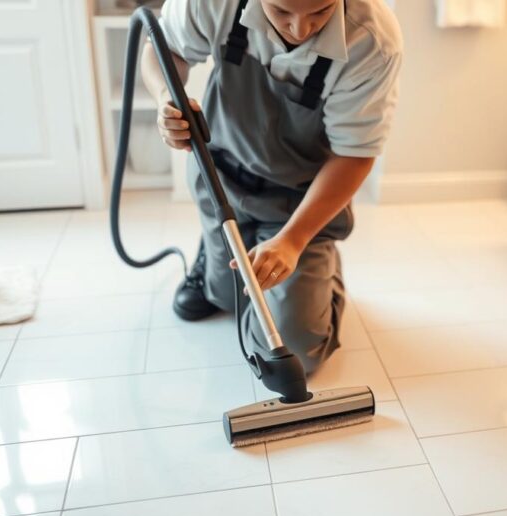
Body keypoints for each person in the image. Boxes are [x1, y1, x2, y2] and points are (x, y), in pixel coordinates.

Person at [143, 0, 402, 372]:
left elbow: (356, 153)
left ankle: (320, 263)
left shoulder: (373, 40)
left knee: (294, 347)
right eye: (282, 12)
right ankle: (214, 260)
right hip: (221, 181)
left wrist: (293, 241)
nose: (300, 29)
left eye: (320, 12)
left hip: (299, 200)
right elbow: (162, 47)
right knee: (227, 298)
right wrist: (166, 97)